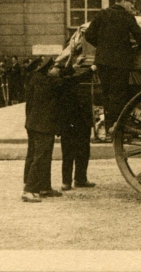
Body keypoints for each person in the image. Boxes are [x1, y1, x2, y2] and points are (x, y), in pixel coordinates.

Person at [84, 0, 141, 140]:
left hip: (102, 62)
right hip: (120, 63)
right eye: (131, 2)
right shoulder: (126, 16)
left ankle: (109, 130)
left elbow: (88, 35)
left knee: (107, 96)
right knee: (118, 96)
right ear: (123, 1)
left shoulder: (102, 14)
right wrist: (132, 49)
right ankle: (118, 130)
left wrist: (102, 47)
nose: (132, 6)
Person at [22, 58, 64, 202]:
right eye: (54, 68)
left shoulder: (37, 79)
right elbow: (66, 82)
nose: (57, 70)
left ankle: (44, 187)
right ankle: (29, 190)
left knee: (41, 156)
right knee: (41, 157)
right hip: (42, 126)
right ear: (48, 70)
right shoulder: (48, 82)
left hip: (35, 124)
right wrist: (91, 70)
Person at [59, 61, 96, 191]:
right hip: (69, 124)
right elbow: (78, 78)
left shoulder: (67, 81)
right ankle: (67, 181)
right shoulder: (62, 83)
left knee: (83, 152)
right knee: (69, 153)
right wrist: (91, 69)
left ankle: (80, 179)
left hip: (81, 123)